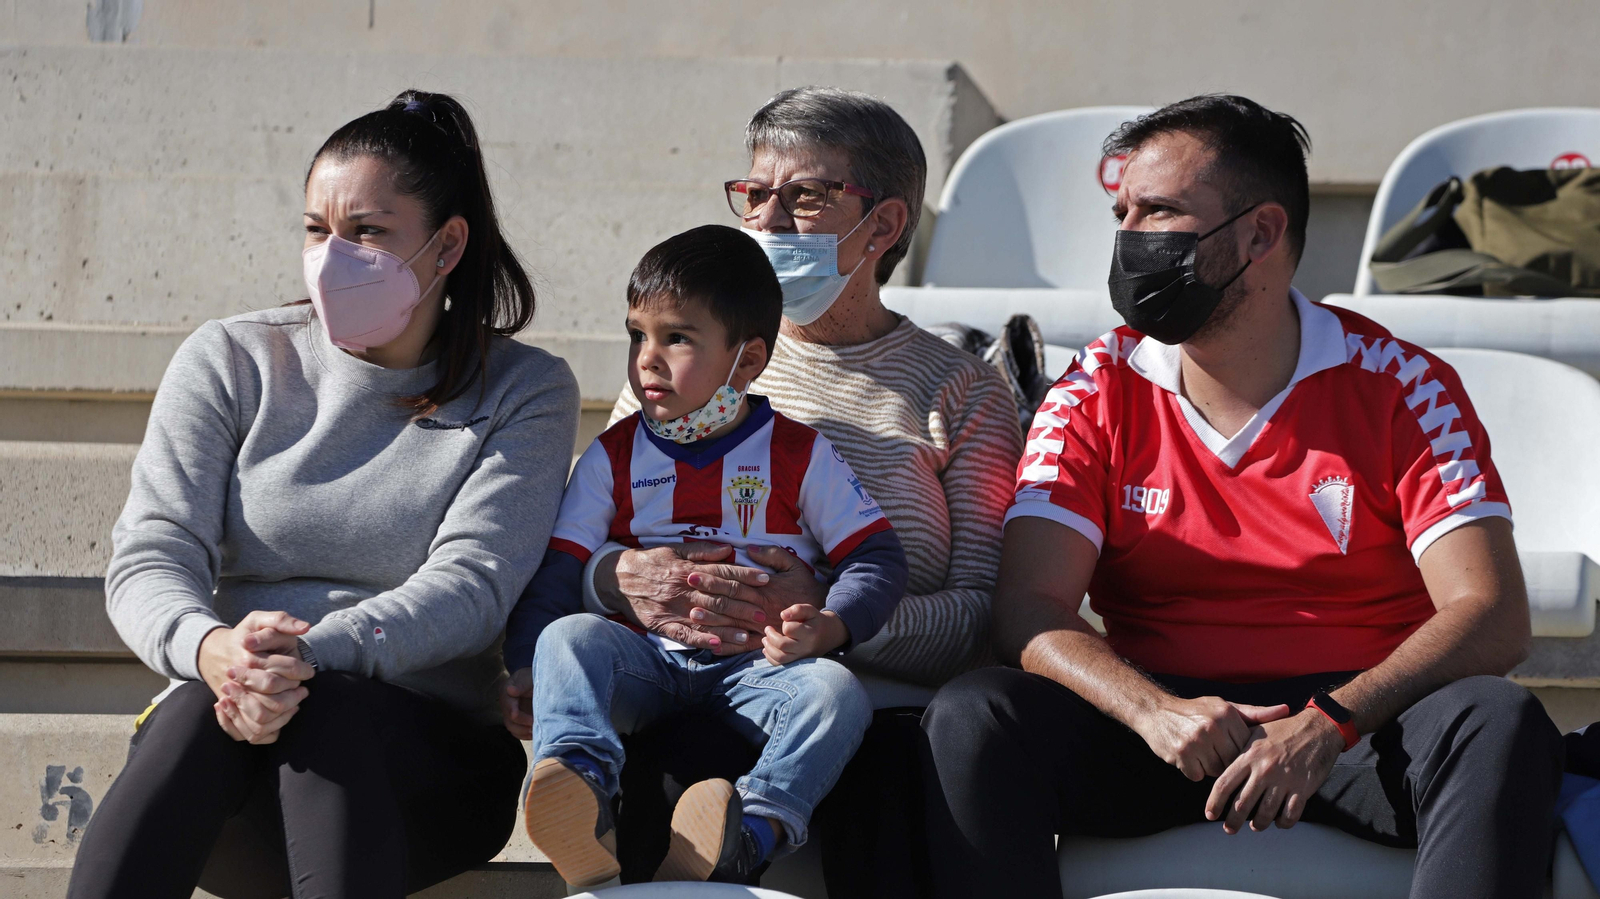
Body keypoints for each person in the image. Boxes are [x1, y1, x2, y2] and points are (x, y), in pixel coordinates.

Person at [921, 94, 1565, 899]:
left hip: (1361, 731)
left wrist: (1328, 723)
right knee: (976, 714)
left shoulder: (1404, 385)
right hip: (1163, 727)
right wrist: (1155, 711)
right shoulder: (1093, 387)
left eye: (1158, 212)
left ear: (1260, 233)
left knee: (1496, 722)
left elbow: (1493, 614)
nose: (1130, 240)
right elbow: (1028, 607)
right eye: (1122, 213)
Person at [501, 86, 1023, 890]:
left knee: (872, 760)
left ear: (882, 225)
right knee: (665, 754)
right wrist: (617, 578)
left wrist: (830, 619)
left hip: (857, 705)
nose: (767, 221)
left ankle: (748, 828)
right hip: (674, 688)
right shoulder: (684, 356)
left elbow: (982, 615)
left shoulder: (962, 393)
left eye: (805, 196)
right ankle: (586, 807)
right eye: (754, 193)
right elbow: (601, 527)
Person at [68, 90, 579, 899]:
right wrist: (218, 653)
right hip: (235, 743)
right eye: (316, 228)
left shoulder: (526, 390)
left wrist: (309, 653)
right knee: (196, 710)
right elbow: (152, 552)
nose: (332, 254)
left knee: (327, 705)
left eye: (368, 231)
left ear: (447, 245)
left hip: (427, 773)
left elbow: (476, 585)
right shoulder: (232, 357)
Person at [500, 224, 908, 888]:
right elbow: (561, 568)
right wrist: (523, 661)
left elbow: (877, 557)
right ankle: (579, 795)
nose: (647, 359)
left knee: (836, 693)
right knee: (568, 637)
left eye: (677, 337)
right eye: (638, 335)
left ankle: (746, 833)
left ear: (746, 362)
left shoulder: (798, 453)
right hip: (646, 661)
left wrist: (832, 623)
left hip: (757, 670)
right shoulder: (612, 453)